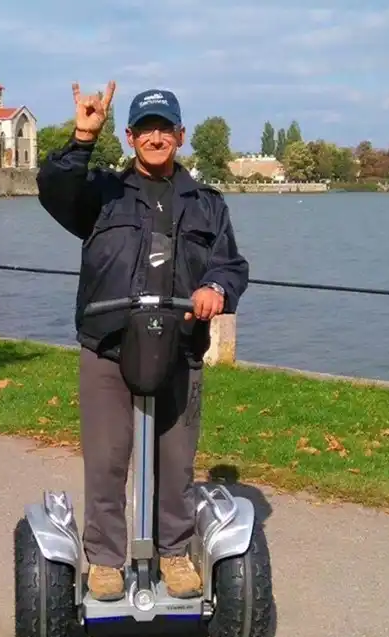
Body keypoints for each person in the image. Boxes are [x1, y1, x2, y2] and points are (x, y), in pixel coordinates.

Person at [36, 80, 250, 601]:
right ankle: (106, 560)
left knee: (176, 464)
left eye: (165, 129)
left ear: (181, 135)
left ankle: (173, 552)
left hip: (179, 348)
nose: (156, 138)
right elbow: (54, 189)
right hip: (108, 344)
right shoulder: (100, 194)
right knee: (107, 460)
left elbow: (230, 264)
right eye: (145, 130)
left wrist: (215, 288)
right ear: (130, 137)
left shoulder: (206, 204)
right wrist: (83, 138)